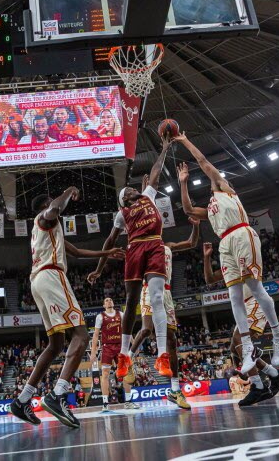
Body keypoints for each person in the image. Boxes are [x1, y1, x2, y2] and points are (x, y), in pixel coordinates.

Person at [9, 186, 124, 428]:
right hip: (52, 278)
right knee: (81, 336)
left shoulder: (50, 231)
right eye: (52, 204)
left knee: (56, 344)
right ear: (46, 205)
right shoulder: (44, 219)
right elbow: (54, 208)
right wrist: (70, 189)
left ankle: (22, 400)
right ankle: (57, 394)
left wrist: (107, 252)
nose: (56, 208)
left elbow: (78, 252)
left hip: (38, 282)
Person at [173, 131, 279, 370]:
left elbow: (204, 162)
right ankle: (247, 346)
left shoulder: (224, 189)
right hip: (224, 243)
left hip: (241, 233)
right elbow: (188, 209)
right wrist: (183, 182)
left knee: (254, 287)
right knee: (234, 296)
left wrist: (184, 141)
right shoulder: (211, 207)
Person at [89, 137, 173, 382]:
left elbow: (156, 173)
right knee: (132, 300)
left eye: (136, 189)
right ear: (124, 199)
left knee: (157, 298)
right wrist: (99, 268)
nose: (136, 189)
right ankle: (125, 354)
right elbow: (109, 242)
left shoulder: (147, 196)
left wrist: (164, 149)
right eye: (130, 190)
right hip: (135, 248)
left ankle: (162, 354)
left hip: (155, 243)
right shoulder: (121, 213)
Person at [125, 204, 201, 410]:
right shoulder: (143, 247)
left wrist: (195, 226)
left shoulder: (167, 246)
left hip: (167, 293)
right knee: (147, 329)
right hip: (149, 289)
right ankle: (128, 359)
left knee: (172, 341)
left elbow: (192, 242)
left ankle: (175, 391)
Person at [201, 241, 279, 406]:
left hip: (255, 301)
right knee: (235, 347)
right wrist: (207, 258)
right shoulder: (230, 267)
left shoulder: (245, 257)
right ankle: (275, 375)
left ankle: (258, 385)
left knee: (240, 342)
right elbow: (209, 279)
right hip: (244, 306)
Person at [88, 297, 136, 411]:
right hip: (107, 347)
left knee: (126, 373)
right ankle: (105, 403)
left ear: (113, 303)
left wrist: (134, 343)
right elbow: (95, 335)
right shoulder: (100, 317)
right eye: (106, 300)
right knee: (105, 374)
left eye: (110, 300)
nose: (109, 301)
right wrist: (93, 352)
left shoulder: (121, 314)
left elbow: (127, 330)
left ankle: (128, 402)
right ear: (104, 305)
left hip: (121, 346)